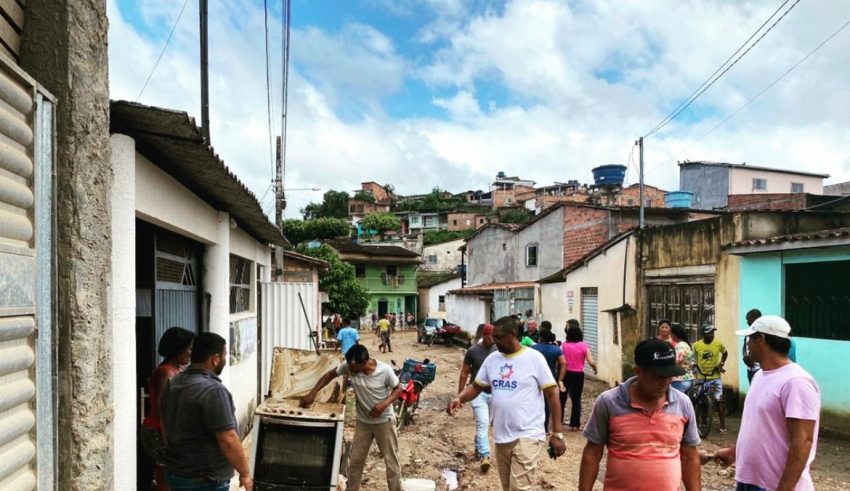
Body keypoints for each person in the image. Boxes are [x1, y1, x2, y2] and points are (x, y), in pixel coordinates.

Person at [447, 316, 566, 491]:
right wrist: (460, 398)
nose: (495, 341)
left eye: (499, 337)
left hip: (528, 434)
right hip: (501, 436)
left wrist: (557, 434)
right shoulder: (493, 359)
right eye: (494, 337)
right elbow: (476, 386)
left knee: (519, 488)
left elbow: (552, 393)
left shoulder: (534, 358)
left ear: (512, 334)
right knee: (508, 487)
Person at [579, 339, 701, 491]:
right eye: (658, 376)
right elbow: (592, 453)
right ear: (637, 371)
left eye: (670, 376)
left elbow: (689, 456)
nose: (665, 383)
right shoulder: (609, 402)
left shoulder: (682, 403)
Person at [715, 315, 820, 491]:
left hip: (774, 486)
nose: (747, 344)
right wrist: (736, 452)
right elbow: (761, 428)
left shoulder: (795, 381)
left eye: (749, 338)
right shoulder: (759, 376)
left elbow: (803, 440)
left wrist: (785, 488)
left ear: (761, 339)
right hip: (749, 480)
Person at [301, 345, 403, 491]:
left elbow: (399, 389)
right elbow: (329, 376)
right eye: (349, 366)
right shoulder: (349, 366)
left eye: (353, 367)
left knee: (391, 462)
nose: (350, 370)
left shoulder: (385, 370)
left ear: (364, 362)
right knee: (355, 461)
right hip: (363, 423)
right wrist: (312, 394)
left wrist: (384, 404)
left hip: (384, 422)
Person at [160, 332, 252, 491]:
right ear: (215, 359)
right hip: (205, 479)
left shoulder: (175, 382)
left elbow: (164, 421)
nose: (224, 360)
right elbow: (228, 439)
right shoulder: (213, 391)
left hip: (177, 473)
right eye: (224, 356)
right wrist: (244, 473)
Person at [141, 327, 195, 491]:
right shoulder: (166, 373)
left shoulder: (176, 370)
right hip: (160, 431)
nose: (191, 354)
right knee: (165, 478)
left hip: (166, 431)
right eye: (188, 349)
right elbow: (166, 410)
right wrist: (170, 440)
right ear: (178, 350)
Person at [457, 323, 497, 473]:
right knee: (483, 424)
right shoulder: (472, 351)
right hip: (477, 394)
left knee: (485, 426)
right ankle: (485, 456)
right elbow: (464, 372)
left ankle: (477, 448)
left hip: (494, 394)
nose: (492, 340)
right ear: (484, 335)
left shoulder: (497, 351)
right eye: (490, 337)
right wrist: (460, 395)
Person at [560, 322, 597, 431]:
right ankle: (575, 425)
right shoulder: (584, 345)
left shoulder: (563, 345)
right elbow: (591, 361)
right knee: (576, 399)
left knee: (562, 398)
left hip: (565, 373)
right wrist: (595, 369)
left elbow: (560, 360)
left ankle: (559, 421)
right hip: (578, 375)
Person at [692, 324, 728, 433]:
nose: (711, 335)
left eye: (713, 333)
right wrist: (693, 366)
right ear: (703, 334)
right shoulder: (696, 345)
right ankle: (702, 419)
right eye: (709, 333)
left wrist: (721, 364)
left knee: (719, 400)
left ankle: (722, 423)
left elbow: (725, 353)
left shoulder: (718, 344)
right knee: (701, 399)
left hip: (714, 377)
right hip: (701, 377)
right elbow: (692, 358)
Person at [532, 329, 566, 432]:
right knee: (547, 404)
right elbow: (564, 363)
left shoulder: (533, 348)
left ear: (541, 337)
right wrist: (560, 379)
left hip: (535, 379)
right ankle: (545, 428)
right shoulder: (556, 349)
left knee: (534, 401)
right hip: (550, 379)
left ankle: (534, 426)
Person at [670, 324, 695, 393]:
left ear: (675, 335)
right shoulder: (687, 345)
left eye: (671, 334)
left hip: (680, 380)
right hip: (689, 378)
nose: (670, 336)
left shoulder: (680, 346)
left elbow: (677, 361)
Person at [742, 309, 762, 385]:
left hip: (760, 369)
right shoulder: (749, 332)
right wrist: (745, 357)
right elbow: (745, 346)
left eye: (748, 320)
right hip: (750, 369)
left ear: (755, 319)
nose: (747, 322)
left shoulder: (762, 333)